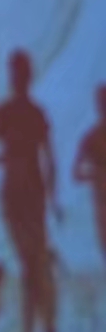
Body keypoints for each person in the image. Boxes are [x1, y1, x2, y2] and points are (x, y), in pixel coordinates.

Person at [0, 52, 61, 332]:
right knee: (31, 267)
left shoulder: (30, 114)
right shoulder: (14, 113)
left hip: (29, 194)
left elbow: (49, 160)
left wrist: (53, 198)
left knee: (33, 267)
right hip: (17, 196)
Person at [75, 86, 106, 268]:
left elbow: (77, 173)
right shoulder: (91, 138)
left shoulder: (91, 137)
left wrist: (95, 175)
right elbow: (76, 173)